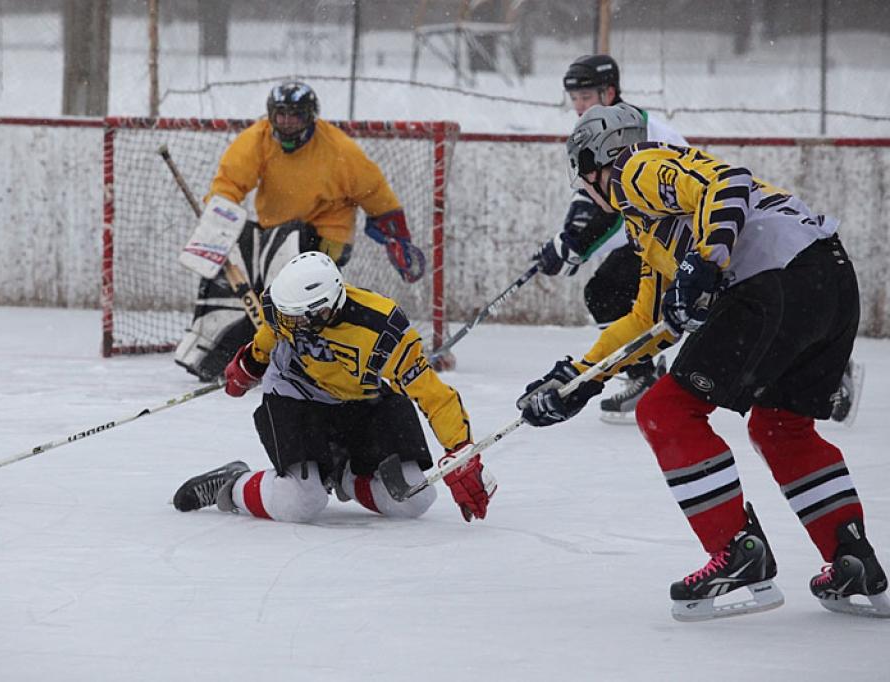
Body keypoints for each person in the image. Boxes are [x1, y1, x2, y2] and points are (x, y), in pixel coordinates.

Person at [519, 103, 888, 621]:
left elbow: (729, 182)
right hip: (828, 280)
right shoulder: (648, 231)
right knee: (783, 428)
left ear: (598, 159)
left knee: (664, 413)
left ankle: (739, 553)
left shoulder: (636, 169)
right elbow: (644, 323)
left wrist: (709, 257)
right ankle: (852, 557)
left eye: (584, 174)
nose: (587, 188)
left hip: (772, 279)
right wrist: (577, 379)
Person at [172, 251, 497, 524]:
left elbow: (435, 397)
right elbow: (272, 332)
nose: (284, 322)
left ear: (325, 310)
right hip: (295, 394)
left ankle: (346, 475)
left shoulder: (384, 331)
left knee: (414, 499)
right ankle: (231, 484)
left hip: (363, 399)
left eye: (295, 318)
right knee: (301, 502)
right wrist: (250, 364)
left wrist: (461, 454)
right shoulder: (283, 307)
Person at [175, 81, 426, 383]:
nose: (287, 122)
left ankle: (298, 358)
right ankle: (214, 350)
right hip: (274, 234)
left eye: (295, 115)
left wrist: (398, 239)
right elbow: (228, 184)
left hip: (325, 236)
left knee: (289, 271)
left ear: (311, 116)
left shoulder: (340, 151)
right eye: (280, 115)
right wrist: (220, 223)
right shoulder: (258, 139)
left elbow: (378, 197)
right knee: (240, 252)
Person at [532, 55, 687, 424]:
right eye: (574, 98)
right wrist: (569, 238)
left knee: (714, 310)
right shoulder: (602, 130)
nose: (578, 105)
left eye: (586, 96)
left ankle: (808, 360)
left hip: (681, 232)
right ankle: (644, 376)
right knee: (609, 294)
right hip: (658, 232)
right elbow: (594, 192)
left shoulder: (633, 133)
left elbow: (618, 208)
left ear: (610, 91)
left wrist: (575, 248)